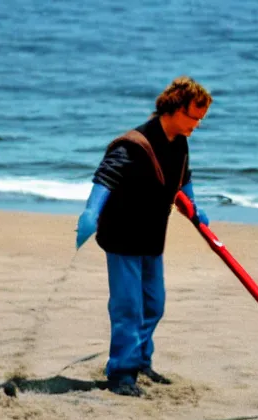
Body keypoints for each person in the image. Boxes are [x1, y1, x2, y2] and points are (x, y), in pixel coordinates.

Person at [76, 76, 212, 397]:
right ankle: (121, 372)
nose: (197, 124)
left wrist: (194, 209)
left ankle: (139, 360)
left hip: (152, 236)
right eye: (194, 116)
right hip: (122, 236)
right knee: (128, 307)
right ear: (176, 109)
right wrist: (91, 212)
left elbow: (182, 177)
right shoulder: (134, 144)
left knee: (154, 305)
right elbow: (106, 176)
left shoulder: (180, 141)